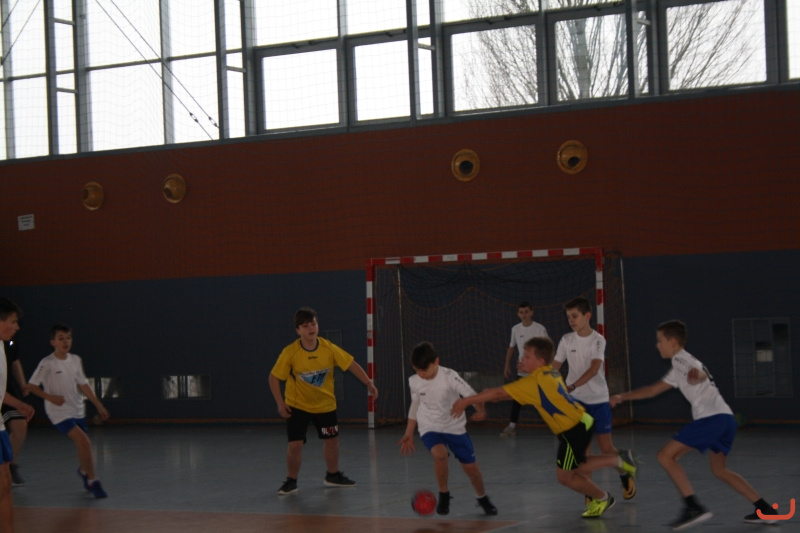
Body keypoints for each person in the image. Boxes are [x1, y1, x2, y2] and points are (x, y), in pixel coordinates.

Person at [610, 320, 779, 530]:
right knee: (720, 470)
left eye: (660, 341)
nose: (657, 345)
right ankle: (765, 509)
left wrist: (697, 375)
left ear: (673, 341)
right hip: (726, 419)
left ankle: (693, 507)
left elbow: (699, 372)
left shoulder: (681, 360)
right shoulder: (678, 367)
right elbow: (652, 390)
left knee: (665, 456)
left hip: (711, 419)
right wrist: (622, 397)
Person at [452, 336, 637, 519]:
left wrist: (466, 401)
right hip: (581, 421)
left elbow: (500, 392)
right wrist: (496, 396)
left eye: (527, 357)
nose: (522, 359)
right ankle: (609, 483)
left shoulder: (535, 381)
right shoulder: (550, 372)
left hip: (573, 430)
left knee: (566, 476)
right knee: (576, 467)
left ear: (540, 361)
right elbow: (513, 394)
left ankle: (612, 477)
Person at [269, 307, 378, 495]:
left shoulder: (328, 348)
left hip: (325, 407)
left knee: (332, 440)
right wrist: (280, 403)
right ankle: (291, 481)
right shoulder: (290, 352)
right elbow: (273, 377)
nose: (311, 328)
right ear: (298, 330)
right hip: (298, 407)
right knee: (295, 444)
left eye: (313, 324)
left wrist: (368, 382)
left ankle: (332, 475)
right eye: (305, 326)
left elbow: (350, 364)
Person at [398, 341, 497, 516]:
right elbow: (415, 405)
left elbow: (471, 395)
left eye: (424, 370)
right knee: (440, 455)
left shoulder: (450, 376)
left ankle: (482, 498)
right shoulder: (414, 381)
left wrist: (480, 410)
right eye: (417, 370)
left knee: (472, 469)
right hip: (429, 425)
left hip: (454, 426)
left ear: (436, 362)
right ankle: (444, 494)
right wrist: (409, 433)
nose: (421, 374)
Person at [552, 297, 635, 500]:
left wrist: (572, 385)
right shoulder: (566, 340)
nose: (571, 320)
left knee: (606, 448)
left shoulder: (598, 340)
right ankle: (591, 496)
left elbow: (594, 369)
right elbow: (554, 368)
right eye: (568, 317)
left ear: (587, 315)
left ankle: (624, 471)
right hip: (576, 402)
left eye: (575, 316)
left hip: (598, 400)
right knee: (583, 453)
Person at [27, 324, 110, 499]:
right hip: (59, 412)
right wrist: (50, 397)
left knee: (82, 445)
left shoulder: (76, 360)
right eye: (61, 338)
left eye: (68, 338)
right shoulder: (47, 363)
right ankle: (92, 480)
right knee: (85, 442)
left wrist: (98, 405)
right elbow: (32, 386)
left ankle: (84, 470)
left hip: (77, 409)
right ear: (53, 342)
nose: (65, 342)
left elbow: (83, 384)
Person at [0, 297, 31, 533]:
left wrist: (19, 404)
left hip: (0, 426)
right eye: (13, 321)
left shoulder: (3, 347)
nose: (16, 327)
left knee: (5, 484)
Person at [500, 301, 548, 437]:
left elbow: (547, 348)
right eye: (521, 312)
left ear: (531, 312)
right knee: (517, 398)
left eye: (526, 312)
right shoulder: (515, 329)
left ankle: (559, 424)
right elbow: (511, 347)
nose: (524, 315)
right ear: (518, 314)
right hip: (523, 371)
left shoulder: (539, 329)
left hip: (538, 371)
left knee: (544, 399)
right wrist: (506, 364)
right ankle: (511, 426)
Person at [2, 340, 33, 487]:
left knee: (20, 424)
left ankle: (10, 465)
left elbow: (15, 361)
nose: (16, 328)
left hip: (6, 389)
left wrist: (22, 384)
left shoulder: (10, 340)